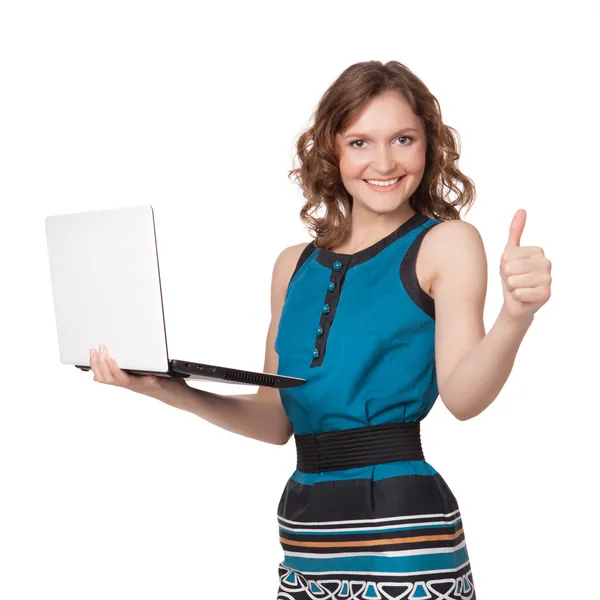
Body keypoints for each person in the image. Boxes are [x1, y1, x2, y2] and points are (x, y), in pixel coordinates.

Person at [89, 60, 552, 599]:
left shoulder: (446, 243)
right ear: (331, 149)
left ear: (430, 146)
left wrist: (516, 317)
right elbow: (275, 419)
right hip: (307, 524)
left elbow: (465, 397)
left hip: (401, 524)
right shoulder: (293, 265)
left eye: (403, 138)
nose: (384, 161)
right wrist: (172, 390)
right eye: (360, 142)